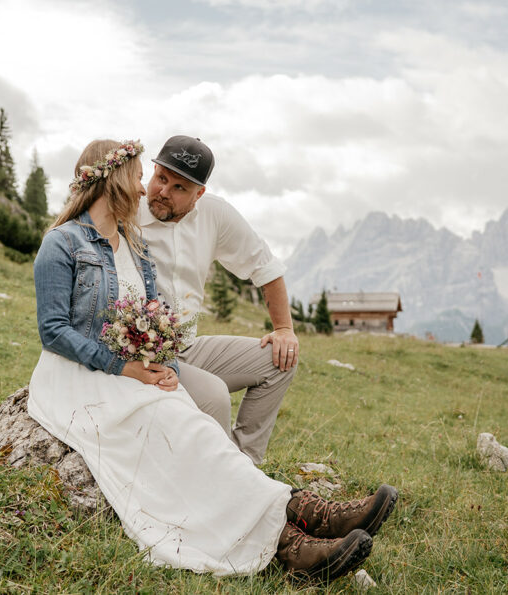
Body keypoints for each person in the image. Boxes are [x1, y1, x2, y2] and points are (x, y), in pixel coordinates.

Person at [27, 139, 393, 580]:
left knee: (207, 416)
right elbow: (53, 331)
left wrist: (166, 367)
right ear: (118, 179)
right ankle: (288, 541)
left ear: (198, 194)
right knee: (200, 413)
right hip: (87, 374)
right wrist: (129, 368)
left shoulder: (135, 245)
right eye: (148, 177)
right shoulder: (64, 242)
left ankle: (296, 509)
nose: (150, 191)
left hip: (147, 362)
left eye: (171, 185)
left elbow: (157, 313)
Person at [139, 135, 298, 464]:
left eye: (179, 188)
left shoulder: (215, 214)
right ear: (152, 170)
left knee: (281, 360)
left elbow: (265, 267)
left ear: (199, 194)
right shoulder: (127, 209)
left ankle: (245, 463)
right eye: (161, 178)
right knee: (213, 395)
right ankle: (226, 474)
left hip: (188, 348)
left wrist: (284, 328)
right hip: (141, 356)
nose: (164, 192)